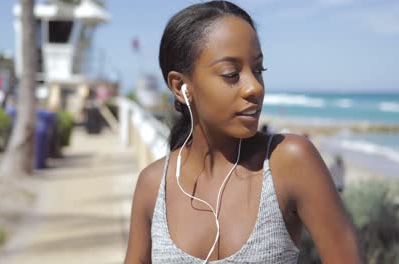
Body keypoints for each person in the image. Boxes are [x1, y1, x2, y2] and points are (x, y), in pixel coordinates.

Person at [125, 1, 361, 263]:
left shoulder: (290, 162)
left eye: (258, 70)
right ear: (181, 86)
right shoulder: (153, 185)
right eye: (232, 74)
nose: (255, 88)